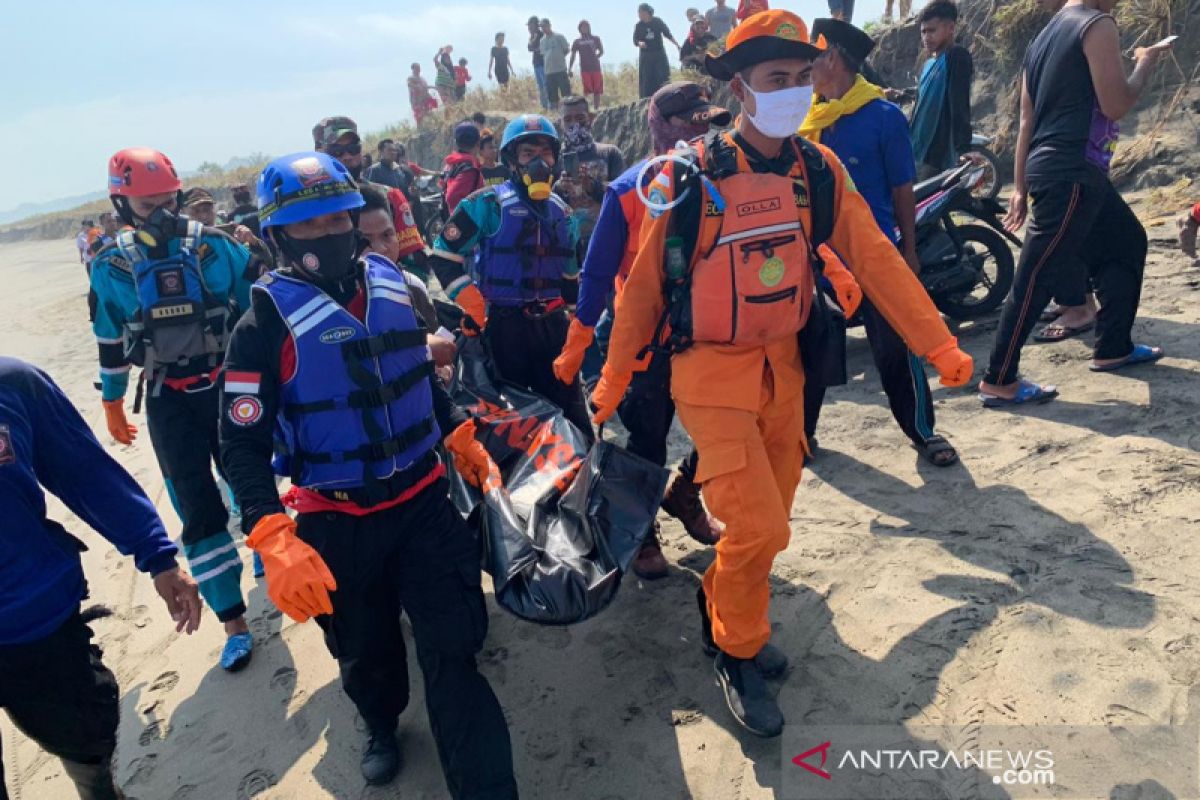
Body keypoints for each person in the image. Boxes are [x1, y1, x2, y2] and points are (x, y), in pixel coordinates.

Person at [592, 10, 973, 737]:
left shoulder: (813, 169)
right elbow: (641, 292)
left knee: (769, 525)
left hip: (786, 372)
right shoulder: (690, 177)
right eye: (776, 80)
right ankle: (736, 650)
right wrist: (611, 380)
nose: (794, 93)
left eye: (802, 78)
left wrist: (936, 344)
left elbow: (878, 256)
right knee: (762, 527)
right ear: (739, 87)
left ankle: (729, 614)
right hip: (709, 375)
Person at [219, 151, 516, 794]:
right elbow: (239, 444)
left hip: (424, 504)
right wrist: (271, 533)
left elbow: (411, 376)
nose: (326, 235)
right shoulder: (260, 325)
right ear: (276, 234)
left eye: (337, 218)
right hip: (337, 517)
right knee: (367, 653)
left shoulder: (392, 285)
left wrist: (456, 431)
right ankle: (381, 722)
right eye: (307, 225)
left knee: (455, 651)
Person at [0, 357, 202, 800]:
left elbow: (86, 473)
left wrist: (158, 555)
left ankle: (98, 791)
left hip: (34, 617)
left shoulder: (13, 384)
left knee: (85, 732)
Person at [90, 147, 256, 672]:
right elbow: (110, 337)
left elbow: (255, 311)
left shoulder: (215, 246)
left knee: (251, 481)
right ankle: (233, 621)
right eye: (146, 205)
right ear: (122, 205)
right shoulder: (109, 264)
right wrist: (112, 398)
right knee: (196, 504)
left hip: (228, 384)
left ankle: (279, 569)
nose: (159, 213)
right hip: (166, 395)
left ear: (180, 196)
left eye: (165, 201)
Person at [556, 80, 731, 578]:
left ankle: (685, 492)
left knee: (729, 424)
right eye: (688, 126)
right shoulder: (631, 187)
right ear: (662, 127)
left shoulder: (727, 178)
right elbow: (596, 268)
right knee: (648, 436)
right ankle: (643, 529)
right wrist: (581, 334)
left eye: (707, 125)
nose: (699, 138)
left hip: (715, 331)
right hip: (647, 339)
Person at [978, 0, 1171, 406]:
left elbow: (1026, 120)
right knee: (1036, 276)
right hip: (1072, 171)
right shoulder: (1096, 25)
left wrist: (1019, 185)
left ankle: (1113, 347)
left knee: (1127, 240)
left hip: (1065, 171)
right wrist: (1145, 62)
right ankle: (999, 379)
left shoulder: (1042, 39)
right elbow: (1117, 103)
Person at [801, 18, 958, 466]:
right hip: (818, 258)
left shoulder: (883, 116)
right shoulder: (808, 119)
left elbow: (902, 190)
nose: (807, 70)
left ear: (833, 57)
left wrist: (908, 250)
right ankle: (801, 437)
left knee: (896, 346)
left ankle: (923, 431)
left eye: (813, 58)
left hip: (874, 253)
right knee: (810, 346)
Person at [429, 115, 593, 442]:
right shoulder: (485, 205)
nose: (539, 161)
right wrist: (474, 305)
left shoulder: (563, 212)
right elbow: (443, 257)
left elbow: (569, 276)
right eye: (528, 152)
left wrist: (578, 326)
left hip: (552, 328)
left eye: (545, 153)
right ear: (511, 160)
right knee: (510, 424)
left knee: (573, 417)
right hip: (502, 329)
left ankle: (581, 481)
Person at [312, 116, 428, 277]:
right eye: (336, 151)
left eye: (353, 148)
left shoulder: (390, 196)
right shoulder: (308, 206)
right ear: (319, 153)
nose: (347, 156)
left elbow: (416, 264)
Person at [908, 1, 973, 180]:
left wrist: (963, 148)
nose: (927, 37)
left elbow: (959, 104)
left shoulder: (956, 56)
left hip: (938, 154)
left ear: (951, 28)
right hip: (917, 150)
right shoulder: (929, 63)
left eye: (932, 30)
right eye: (923, 31)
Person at [557, 95, 625, 250]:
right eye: (567, 119)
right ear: (560, 123)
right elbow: (544, 205)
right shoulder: (552, 160)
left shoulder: (610, 153)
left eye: (580, 117)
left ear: (591, 118)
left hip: (606, 239)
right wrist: (559, 188)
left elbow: (623, 198)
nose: (574, 124)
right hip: (566, 245)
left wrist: (592, 186)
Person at [635, 4, 680, 99]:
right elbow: (635, 39)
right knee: (647, 78)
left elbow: (667, 33)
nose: (640, 15)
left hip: (659, 54)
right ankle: (647, 99)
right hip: (646, 56)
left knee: (663, 76)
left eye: (642, 13)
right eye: (639, 13)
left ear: (648, 13)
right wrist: (640, 43)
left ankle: (666, 96)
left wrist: (676, 44)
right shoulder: (639, 26)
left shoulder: (657, 21)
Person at [442, 122, 485, 216]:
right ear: (478, 143)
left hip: (454, 223)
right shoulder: (468, 170)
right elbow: (451, 197)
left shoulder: (453, 163)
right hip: (468, 224)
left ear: (456, 143)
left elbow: (442, 186)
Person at [570, 21, 606, 109]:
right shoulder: (577, 41)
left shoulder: (595, 39)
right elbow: (573, 55)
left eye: (586, 26)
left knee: (597, 90)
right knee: (587, 90)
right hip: (584, 68)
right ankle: (586, 108)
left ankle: (596, 108)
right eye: (582, 27)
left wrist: (596, 56)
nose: (585, 28)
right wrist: (569, 68)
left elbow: (601, 51)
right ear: (579, 29)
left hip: (595, 67)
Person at [539, 19, 572, 106]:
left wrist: (559, 57)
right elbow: (544, 55)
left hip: (560, 70)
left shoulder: (559, 37)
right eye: (541, 27)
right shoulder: (542, 41)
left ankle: (567, 111)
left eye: (544, 26)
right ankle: (555, 113)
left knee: (566, 94)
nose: (543, 28)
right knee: (552, 96)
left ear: (549, 25)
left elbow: (567, 50)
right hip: (549, 72)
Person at [528, 15, 550, 110]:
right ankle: (544, 106)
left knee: (545, 84)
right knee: (540, 85)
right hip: (536, 63)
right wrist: (533, 42)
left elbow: (541, 49)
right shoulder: (533, 36)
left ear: (536, 25)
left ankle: (549, 105)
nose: (529, 27)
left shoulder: (541, 35)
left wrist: (535, 48)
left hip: (543, 63)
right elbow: (530, 48)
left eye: (530, 25)